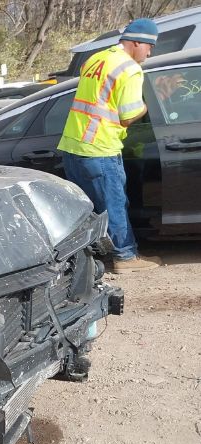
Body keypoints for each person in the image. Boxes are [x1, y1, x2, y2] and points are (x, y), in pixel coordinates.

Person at [58, 18, 161, 272]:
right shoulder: (131, 69)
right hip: (100, 147)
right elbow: (128, 114)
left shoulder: (96, 58)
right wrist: (150, 104)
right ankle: (124, 257)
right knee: (113, 203)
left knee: (90, 208)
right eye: (150, 47)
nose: (150, 53)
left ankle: (93, 257)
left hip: (73, 144)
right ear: (137, 42)